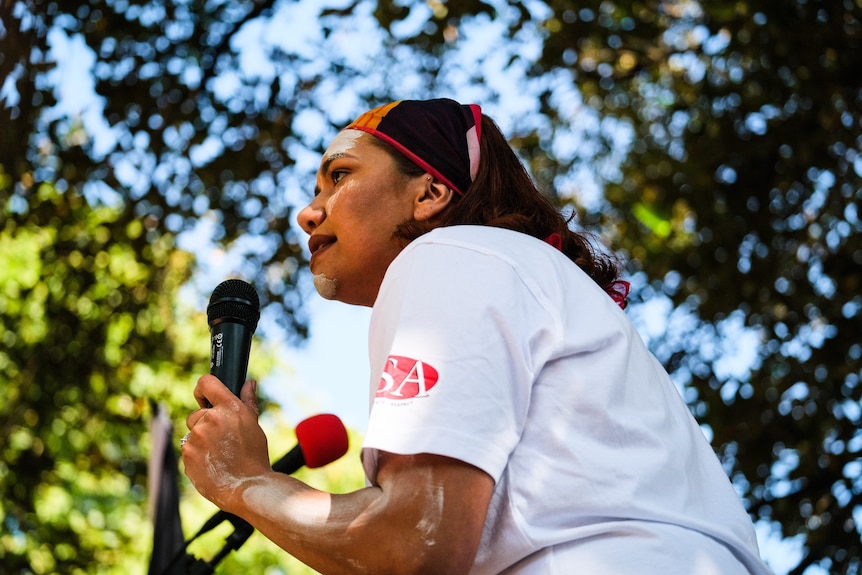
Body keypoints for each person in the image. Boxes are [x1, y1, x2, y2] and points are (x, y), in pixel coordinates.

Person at [182, 98, 774, 574]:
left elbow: (416, 543)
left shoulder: (450, 255)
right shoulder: (519, 274)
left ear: (430, 193)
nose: (309, 213)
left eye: (339, 176)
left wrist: (246, 481)